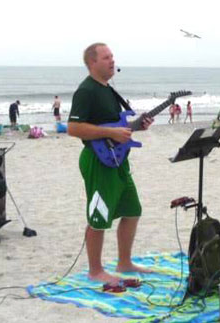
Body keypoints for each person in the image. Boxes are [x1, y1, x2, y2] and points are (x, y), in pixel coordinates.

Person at [67, 43, 154, 285]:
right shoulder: (86, 91)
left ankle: (124, 262)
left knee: (132, 210)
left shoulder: (109, 90)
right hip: (97, 160)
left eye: (112, 57)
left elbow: (115, 126)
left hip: (118, 160)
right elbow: (73, 128)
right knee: (99, 216)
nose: (112, 61)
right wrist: (113, 133)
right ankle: (95, 271)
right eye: (106, 58)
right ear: (92, 62)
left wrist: (136, 126)